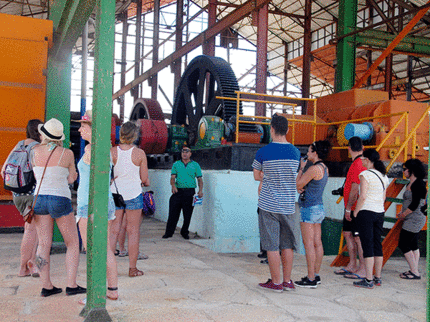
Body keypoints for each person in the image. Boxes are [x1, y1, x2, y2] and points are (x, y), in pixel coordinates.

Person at [31, 118, 85, 297]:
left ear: (44, 134)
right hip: (60, 198)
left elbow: (36, 174)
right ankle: (71, 285)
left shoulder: (34, 151)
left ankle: (46, 286)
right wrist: (72, 175)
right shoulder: (67, 153)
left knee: (43, 244)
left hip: (39, 199)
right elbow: (71, 179)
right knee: (72, 243)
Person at [252, 113, 300, 292]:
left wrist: (268, 175)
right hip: (288, 205)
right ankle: (287, 281)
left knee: (272, 245)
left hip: (268, 204)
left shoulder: (263, 152)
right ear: (287, 130)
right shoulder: (295, 152)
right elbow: (294, 175)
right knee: (287, 244)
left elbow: (257, 175)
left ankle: (276, 282)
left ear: (271, 129)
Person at [75, 110, 119, 300]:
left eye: (83, 126)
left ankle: (94, 293)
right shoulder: (104, 149)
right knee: (106, 248)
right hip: (103, 203)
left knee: (92, 250)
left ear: (92, 129)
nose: (79, 130)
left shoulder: (91, 150)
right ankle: (112, 290)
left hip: (89, 204)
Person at [1, 119, 43, 277]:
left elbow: (3, 171)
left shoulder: (19, 145)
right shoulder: (37, 148)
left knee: (30, 230)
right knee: (35, 232)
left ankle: (26, 266)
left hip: (17, 196)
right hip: (32, 195)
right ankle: (29, 266)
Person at [110, 122, 148, 278]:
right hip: (133, 195)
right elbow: (144, 178)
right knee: (133, 232)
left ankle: (109, 268)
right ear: (135, 135)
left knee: (113, 231)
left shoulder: (112, 152)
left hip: (116, 194)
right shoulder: (140, 153)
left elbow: (106, 174)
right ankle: (132, 269)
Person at [295, 140, 331, 288]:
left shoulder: (313, 169)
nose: (307, 153)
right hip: (318, 207)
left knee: (308, 244)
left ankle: (310, 278)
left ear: (315, 153)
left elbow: (298, 184)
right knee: (317, 243)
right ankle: (315, 274)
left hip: (308, 208)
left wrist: (301, 169)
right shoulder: (325, 168)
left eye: (310, 151)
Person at [353, 149, 389, 289]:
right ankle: (377, 278)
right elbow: (384, 197)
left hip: (366, 212)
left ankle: (368, 280)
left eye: (362, 159)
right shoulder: (383, 176)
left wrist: (356, 211)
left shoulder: (365, 174)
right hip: (380, 212)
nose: (361, 161)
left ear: (368, 160)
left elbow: (362, 196)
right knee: (377, 244)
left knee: (367, 245)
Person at [335, 137, 367, 279]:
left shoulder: (358, 164)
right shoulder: (358, 162)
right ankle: (353, 264)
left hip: (354, 208)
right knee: (348, 234)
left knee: (358, 238)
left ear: (349, 148)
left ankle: (362, 268)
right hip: (351, 206)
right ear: (363, 147)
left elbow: (355, 188)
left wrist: (348, 208)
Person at [162, 144, 203, 240]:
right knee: (173, 213)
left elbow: (200, 179)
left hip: (189, 192)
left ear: (190, 153)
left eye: (187, 151)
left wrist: (200, 191)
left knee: (187, 214)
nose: (184, 153)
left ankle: (184, 232)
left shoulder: (195, 165)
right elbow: (172, 178)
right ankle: (169, 232)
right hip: (178, 192)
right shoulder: (176, 164)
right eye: (183, 151)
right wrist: (173, 185)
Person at [396, 158, 427, 280]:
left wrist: (403, 215)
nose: (404, 171)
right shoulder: (410, 183)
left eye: (405, 169)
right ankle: (414, 269)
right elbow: (407, 201)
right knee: (413, 244)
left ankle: (414, 271)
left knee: (403, 243)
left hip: (415, 219)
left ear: (411, 170)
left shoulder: (419, 183)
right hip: (410, 217)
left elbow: (414, 204)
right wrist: (402, 212)